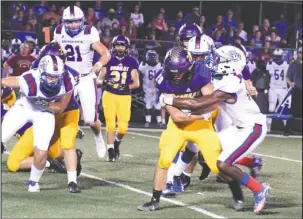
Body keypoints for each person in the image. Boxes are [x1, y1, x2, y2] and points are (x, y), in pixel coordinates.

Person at [160, 45, 271, 214]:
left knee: (223, 164)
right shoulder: (223, 77)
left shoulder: (230, 84)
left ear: (228, 65)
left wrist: (169, 99)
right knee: (207, 153)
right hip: (238, 126)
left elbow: (198, 103)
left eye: (218, 59)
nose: (212, 61)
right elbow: (203, 103)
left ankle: (259, 189)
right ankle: (251, 162)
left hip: (252, 127)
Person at [137, 46, 222, 212]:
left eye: (179, 72)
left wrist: (202, 112)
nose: (175, 76)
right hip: (179, 125)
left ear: (189, 68)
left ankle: (247, 187)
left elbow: (211, 103)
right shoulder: (163, 79)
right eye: (172, 71)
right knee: (164, 160)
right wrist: (199, 112)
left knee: (217, 166)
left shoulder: (201, 72)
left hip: (201, 125)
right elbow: (177, 117)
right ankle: (155, 199)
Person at [1, 55, 78, 193]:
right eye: (50, 76)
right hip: (24, 108)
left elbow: (60, 107)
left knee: (41, 152)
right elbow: (10, 82)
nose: (54, 80)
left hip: (45, 113)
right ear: (41, 72)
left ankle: (33, 182)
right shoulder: (29, 79)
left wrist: (46, 104)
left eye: (57, 76)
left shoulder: (67, 81)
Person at [53, 5, 111, 159]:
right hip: (66, 78)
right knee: (57, 113)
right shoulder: (58, 31)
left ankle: (98, 136)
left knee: (91, 119)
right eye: (70, 22)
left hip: (85, 77)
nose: (73, 25)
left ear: (82, 21)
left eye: (76, 22)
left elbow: (106, 53)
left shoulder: (89, 31)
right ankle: (57, 149)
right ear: (64, 21)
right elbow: (53, 51)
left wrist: (99, 64)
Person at [97, 35, 140, 162]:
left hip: (124, 96)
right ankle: (110, 151)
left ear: (126, 47)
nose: (119, 48)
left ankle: (116, 142)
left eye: (122, 45)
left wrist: (126, 86)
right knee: (110, 123)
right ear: (113, 46)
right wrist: (105, 83)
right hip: (109, 94)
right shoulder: (108, 60)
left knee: (123, 128)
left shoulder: (131, 61)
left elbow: (136, 83)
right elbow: (99, 79)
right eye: (117, 45)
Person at [266, 48, 290, 133]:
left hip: (283, 88)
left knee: (283, 109)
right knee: (271, 108)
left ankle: (286, 128)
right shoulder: (271, 64)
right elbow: (268, 77)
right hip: (273, 88)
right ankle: (268, 127)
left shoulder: (286, 64)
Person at [139, 50, 165, 128]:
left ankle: (159, 121)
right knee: (148, 106)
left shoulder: (160, 66)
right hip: (147, 89)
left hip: (157, 89)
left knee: (158, 106)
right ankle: (148, 121)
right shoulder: (144, 67)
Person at [285, 47, 302, 135]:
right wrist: (290, 82)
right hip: (297, 88)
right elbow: (288, 75)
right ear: (298, 53)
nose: (301, 54)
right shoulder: (293, 64)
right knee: (293, 110)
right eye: (300, 52)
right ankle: (287, 129)